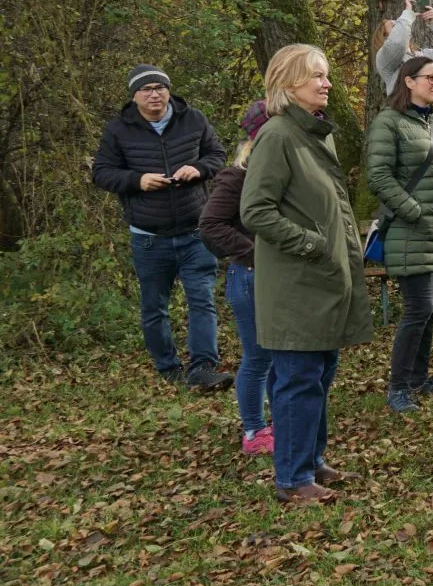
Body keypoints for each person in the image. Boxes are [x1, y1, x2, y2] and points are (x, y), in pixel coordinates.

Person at [240, 45, 370, 505]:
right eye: (316, 75)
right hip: (294, 285)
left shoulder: (315, 134)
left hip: (322, 282)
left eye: (326, 74)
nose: (327, 83)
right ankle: (293, 479)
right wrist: (311, 244)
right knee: (297, 380)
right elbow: (255, 210)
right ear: (288, 83)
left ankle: (311, 461)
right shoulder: (277, 136)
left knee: (318, 375)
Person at [91, 64, 230, 390]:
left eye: (160, 87)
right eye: (146, 89)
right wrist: (137, 180)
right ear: (134, 96)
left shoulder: (193, 119)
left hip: (195, 231)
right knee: (155, 308)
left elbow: (217, 155)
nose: (154, 94)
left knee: (202, 300)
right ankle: (169, 370)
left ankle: (203, 369)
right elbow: (101, 173)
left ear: (169, 91)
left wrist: (198, 168)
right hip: (149, 237)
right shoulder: (118, 130)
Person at [366, 55, 433, 414]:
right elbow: (379, 176)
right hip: (410, 232)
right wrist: (413, 211)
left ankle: (418, 378)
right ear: (408, 81)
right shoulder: (389, 122)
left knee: (431, 310)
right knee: (419, 308)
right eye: (430, 77)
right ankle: (398, 387)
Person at [198, 100, 274, 454]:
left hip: (280, 278)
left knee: (281, 355)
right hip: (249, 277)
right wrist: (254, 253)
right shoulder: (238, 176)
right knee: (258, 357)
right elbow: (210, 224)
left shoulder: (280, 171)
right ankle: (254, 430)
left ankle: (280, 421)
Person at [375, 0, 433, 94]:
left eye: (399, 23)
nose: (400, 25)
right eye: (394, 25)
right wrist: (407, 13)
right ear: (386, 38)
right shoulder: (385, 59)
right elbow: (398, 42)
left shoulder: (425, 56)